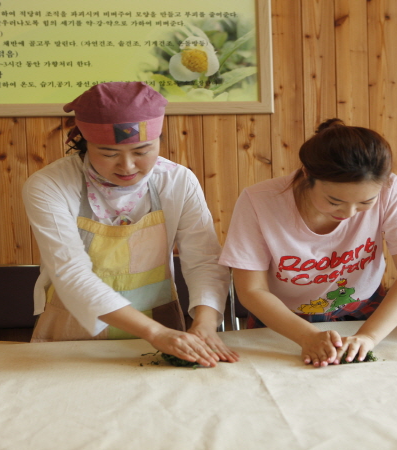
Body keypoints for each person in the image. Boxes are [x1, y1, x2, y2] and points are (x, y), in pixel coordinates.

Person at [22, 81, 237, 366]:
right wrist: (155, 333)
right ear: (85, 143)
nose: (128, 167)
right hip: (74, 334)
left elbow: (204, 259)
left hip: (161, 322)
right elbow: (69, 271)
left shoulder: (177, 181)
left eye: (142, 151)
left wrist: (205, 325)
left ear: (159, 140)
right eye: (108, 153)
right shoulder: (50, 185)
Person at [219, 119, 397, 367]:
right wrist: (306, 336)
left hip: (363, 309)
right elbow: (252, 290)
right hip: (284, 318)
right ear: (307, 174)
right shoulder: (259, 201)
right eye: (334, 201)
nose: (350, 212)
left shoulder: (391, 189)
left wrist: (368, 337)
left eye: (365, 203)